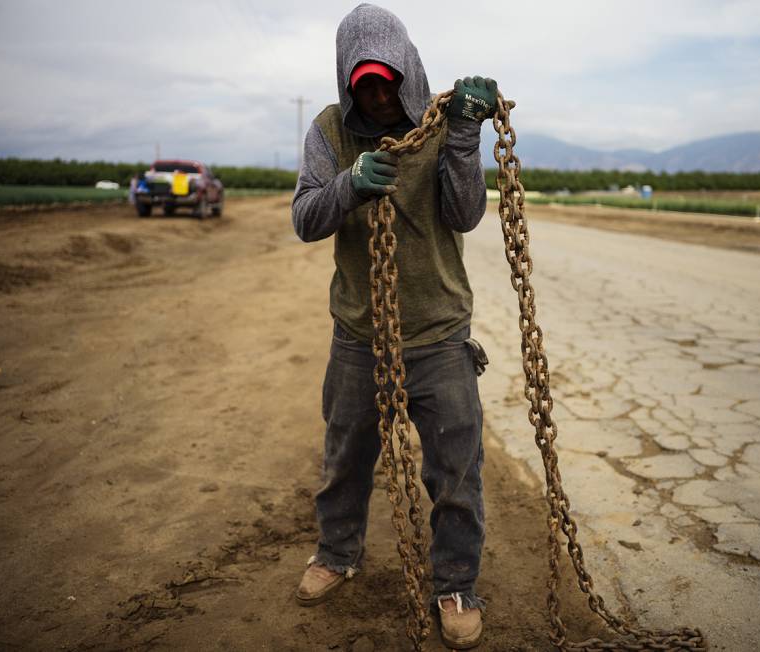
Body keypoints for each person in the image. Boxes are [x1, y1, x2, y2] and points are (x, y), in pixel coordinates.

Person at [289, 3, 497, 649]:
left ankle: (456, 585)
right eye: (364, 85)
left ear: (407, 72)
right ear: (348, 84)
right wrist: (349, 184)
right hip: (359, 336)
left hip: (438, 335)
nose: (378, 95)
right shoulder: (329, 131)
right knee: (346, 459)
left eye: (386, 80)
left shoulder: (442, 124)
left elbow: (464, 216)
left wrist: (464, 137)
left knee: (455, 474)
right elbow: (305, 218)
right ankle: (337, 553)